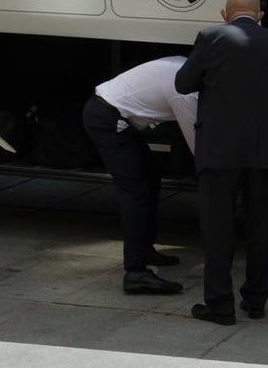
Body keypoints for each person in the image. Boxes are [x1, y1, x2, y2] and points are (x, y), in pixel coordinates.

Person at [176, 0, 268, 325]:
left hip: (219, 152)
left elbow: (182, 83)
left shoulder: (211, 37)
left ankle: (220, 305)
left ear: (224, 13)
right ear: (260, 14)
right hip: (266, 153)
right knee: (262, 227)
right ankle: (256, 300)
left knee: (218, 229)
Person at [82, 56, 196, 295]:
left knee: (151, 178)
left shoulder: (183, 64)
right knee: (136, 192)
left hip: (118, 114)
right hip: (109, 118)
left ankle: (144, 249)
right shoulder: (185, 91)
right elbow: (198, 145)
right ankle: (135, 272)